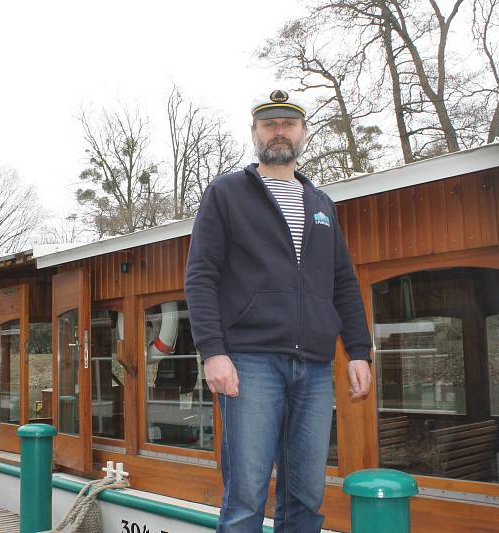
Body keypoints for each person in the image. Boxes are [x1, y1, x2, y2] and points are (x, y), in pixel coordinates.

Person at [184, 90, 373, 532]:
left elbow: (342, 281)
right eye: (269, 124)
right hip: (250, 364)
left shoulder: (321, 204)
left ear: (303, 133)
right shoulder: (226, 193)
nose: (279, 131)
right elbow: (201, 276)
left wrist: (359, 350)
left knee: (306, 498)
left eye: (288, 124)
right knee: (246, 498)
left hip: (313, 367)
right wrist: (213, 351)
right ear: (255, 134)